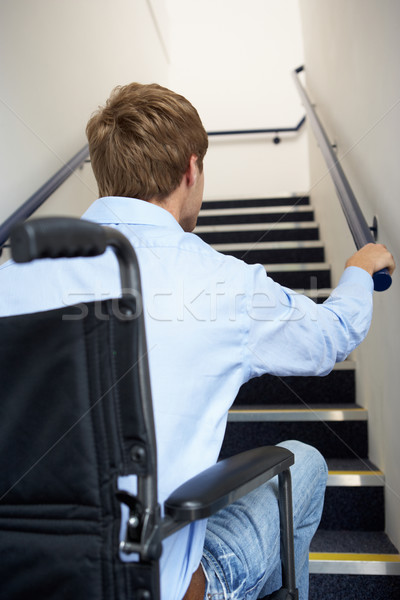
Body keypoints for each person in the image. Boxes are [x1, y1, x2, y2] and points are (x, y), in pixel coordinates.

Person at [0, 83, 395, 600]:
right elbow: (332, 337)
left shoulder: (12, 275)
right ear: (191, 170)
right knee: (306, 462)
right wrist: (358, 270)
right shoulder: (221, 282)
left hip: (21, 577)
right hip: (146, 585)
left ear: (103, 174)